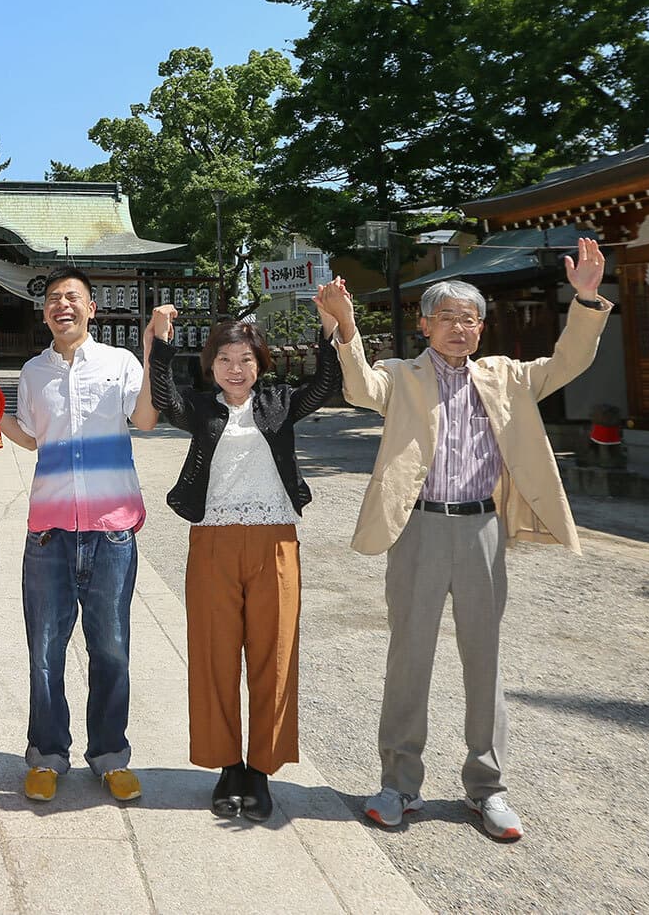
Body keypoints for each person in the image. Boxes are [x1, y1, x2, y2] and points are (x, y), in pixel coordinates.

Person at [334, 239, 612, 842]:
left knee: (484, 657)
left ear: (481, 329)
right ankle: (398, 784)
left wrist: (587, 300)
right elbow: (358, 388)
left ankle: (487, 787)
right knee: (409, 656)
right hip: (418, 527)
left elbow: (567, 361)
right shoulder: (400, 376)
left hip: (483, 526)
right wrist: (347, 327)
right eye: (447, 317)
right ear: (424, 324)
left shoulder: (507, 376)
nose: (459, 328)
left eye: (469, 319)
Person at [145, 295, 344, 820]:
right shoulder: (201, 407)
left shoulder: (280, 402)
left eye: (246, 360)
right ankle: (227, 764)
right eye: (225, 360)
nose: (235, 369)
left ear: (261, 364)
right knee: (213, 654)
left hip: (275, 540)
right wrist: (160, 340)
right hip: (213, 541)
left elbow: (326, 384)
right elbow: (163, 398)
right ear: (210, 366)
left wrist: (329, 326)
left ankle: (261, 768)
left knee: (273, 655)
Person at [0, 265, 158, 803]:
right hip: (49, 532)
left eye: (72, 297)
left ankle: (110, 755)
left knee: (111, 648)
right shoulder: (32, 372)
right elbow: (29, 437)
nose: (61, 305)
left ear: (91, 308)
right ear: (43, 311)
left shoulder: (120, 363)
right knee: (45, 648)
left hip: (111, 529)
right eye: (52, 298)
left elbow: (146, 419)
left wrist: (152, 349)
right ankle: (47, 754)